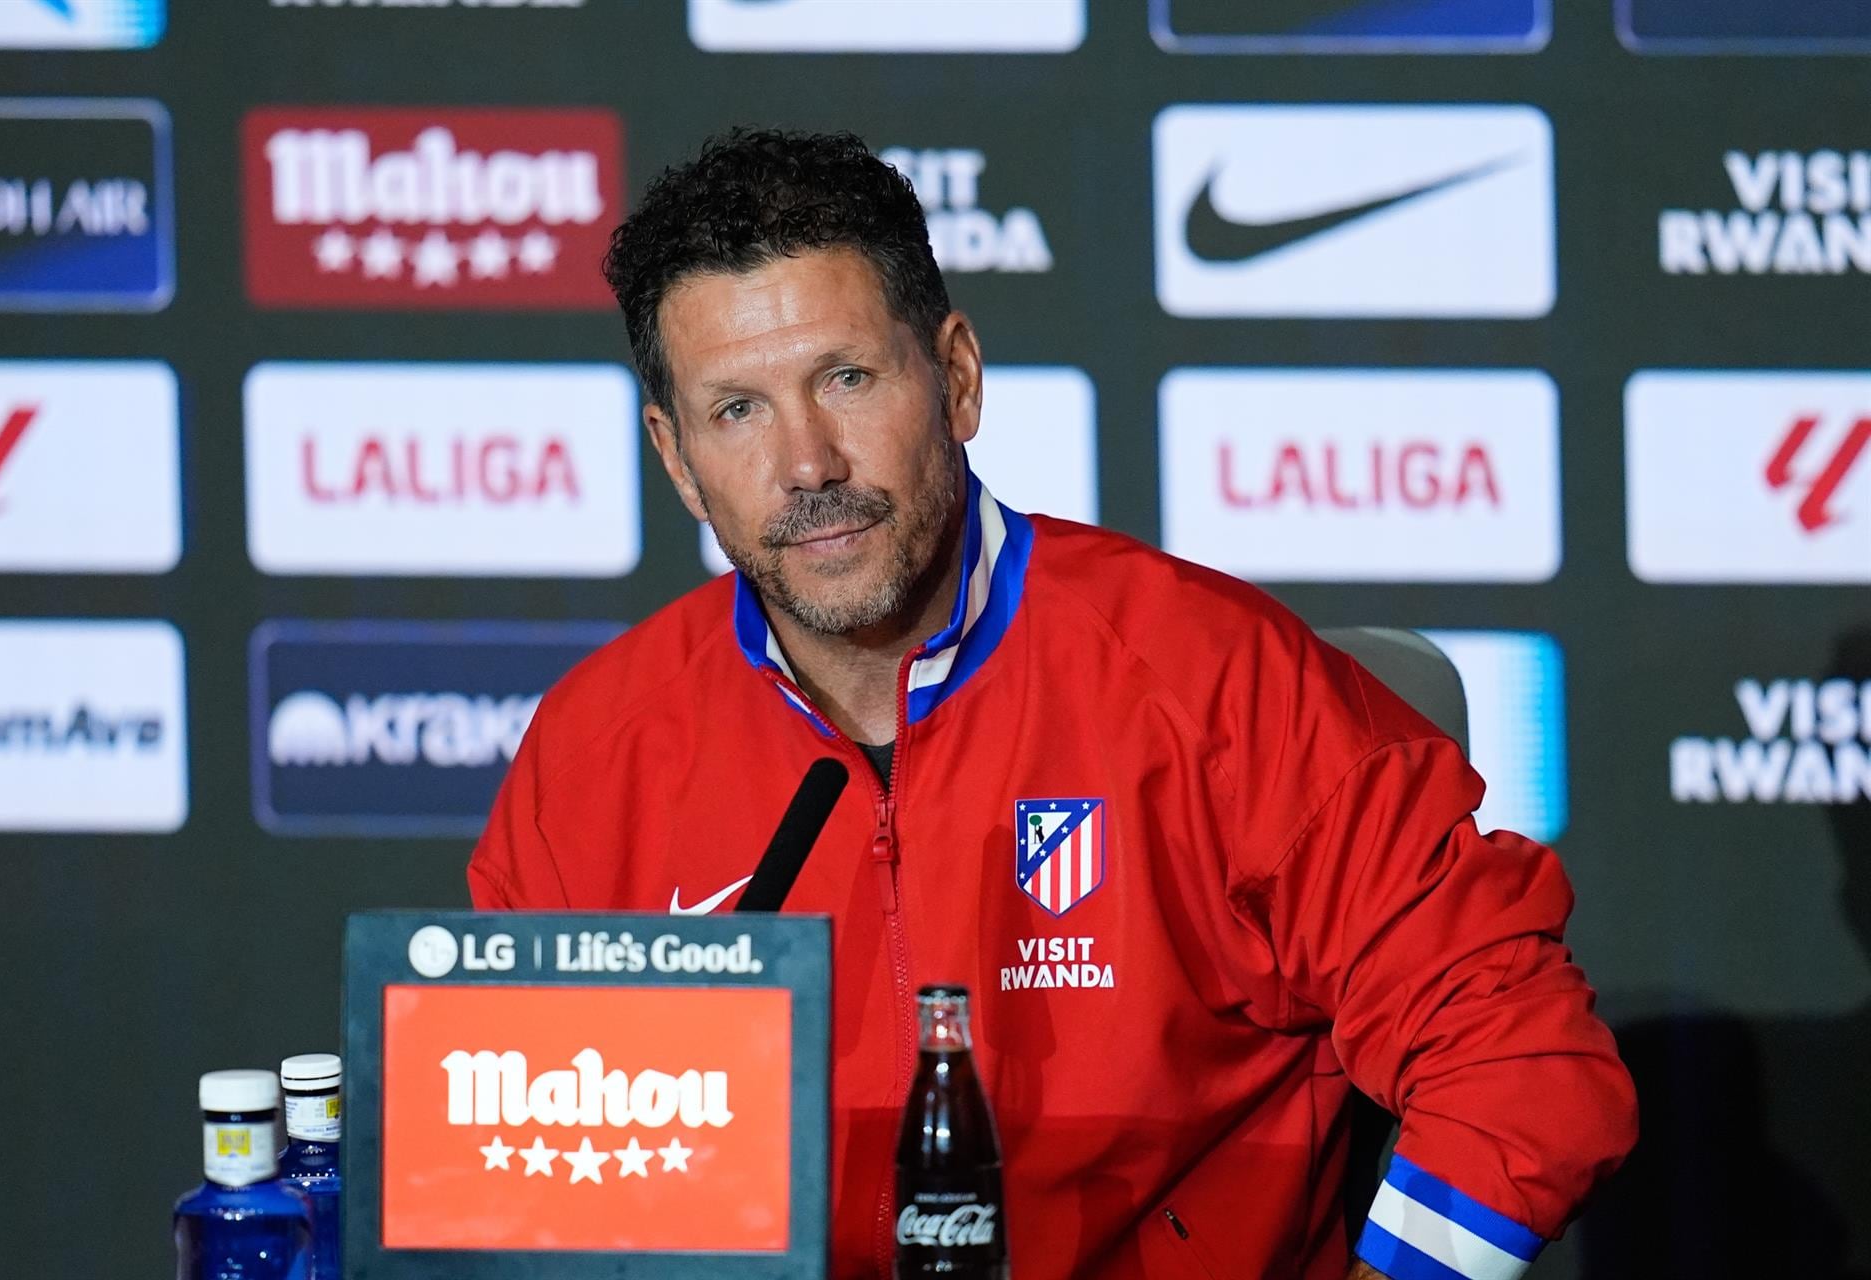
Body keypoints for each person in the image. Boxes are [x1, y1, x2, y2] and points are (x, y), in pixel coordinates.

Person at [467, 128, 1637, 1280]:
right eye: (737, 410)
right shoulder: (591, 758)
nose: (808, 463)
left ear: (957, 377)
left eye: (846, 378)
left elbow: (1524, 1062)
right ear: (676, 457)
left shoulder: (1213, 682)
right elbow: (519, 1184)